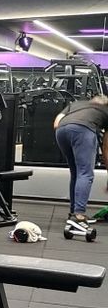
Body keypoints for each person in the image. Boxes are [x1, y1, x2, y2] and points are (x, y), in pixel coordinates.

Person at [54, 94, 108, 233]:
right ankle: (79, 214)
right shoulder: (106, 111)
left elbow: (56, 122)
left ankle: (73, 212)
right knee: (85, 173)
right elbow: (107, 147)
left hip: (61, 131)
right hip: (83, 129)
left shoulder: (76, 104)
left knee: (76, 173)